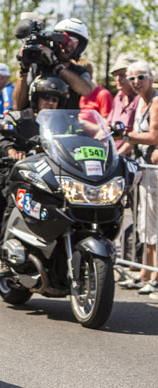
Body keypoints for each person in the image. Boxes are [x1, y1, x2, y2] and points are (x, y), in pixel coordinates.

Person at [0, 74, 67, 263]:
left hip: (49, 174)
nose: (50, 102)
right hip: (15, 171)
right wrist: (11, 150)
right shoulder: (19, 118)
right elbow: (2, 138)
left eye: (54, 99)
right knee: (0, 195)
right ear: (36, 98)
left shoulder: (63, 124)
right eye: (46, 97)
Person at [116, 61, 158, 296]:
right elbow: (132, 140)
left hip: (154, 171)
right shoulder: (141, 102)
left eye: (140, 77)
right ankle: (145, 273)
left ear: (151, 78)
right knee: (143, 223)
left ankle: (155, 276)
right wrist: (113, 156)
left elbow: (153, 136)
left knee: (153, 225)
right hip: (144, 169)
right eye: (132, 78)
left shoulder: (155, 101)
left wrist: (126, 135)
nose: (135, 82)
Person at [12, 18, 93, 111]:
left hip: (66, 123)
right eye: (64, 39)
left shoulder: (80, 72)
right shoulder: (36, 67)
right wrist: (24, 70)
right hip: (35, 123)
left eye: (74, 42)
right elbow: (17, 106)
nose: (68, 45)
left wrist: (56, 64)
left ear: (80, 47)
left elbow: (86, 90)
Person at [107, 55, 140, 156]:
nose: (117, 79)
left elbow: (138, 136)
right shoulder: (118, 97)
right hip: (114, 155)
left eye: (122, 75)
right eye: (115, 75)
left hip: (132, 160)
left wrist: (117, 155)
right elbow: (109, 125)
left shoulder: (141, 99)